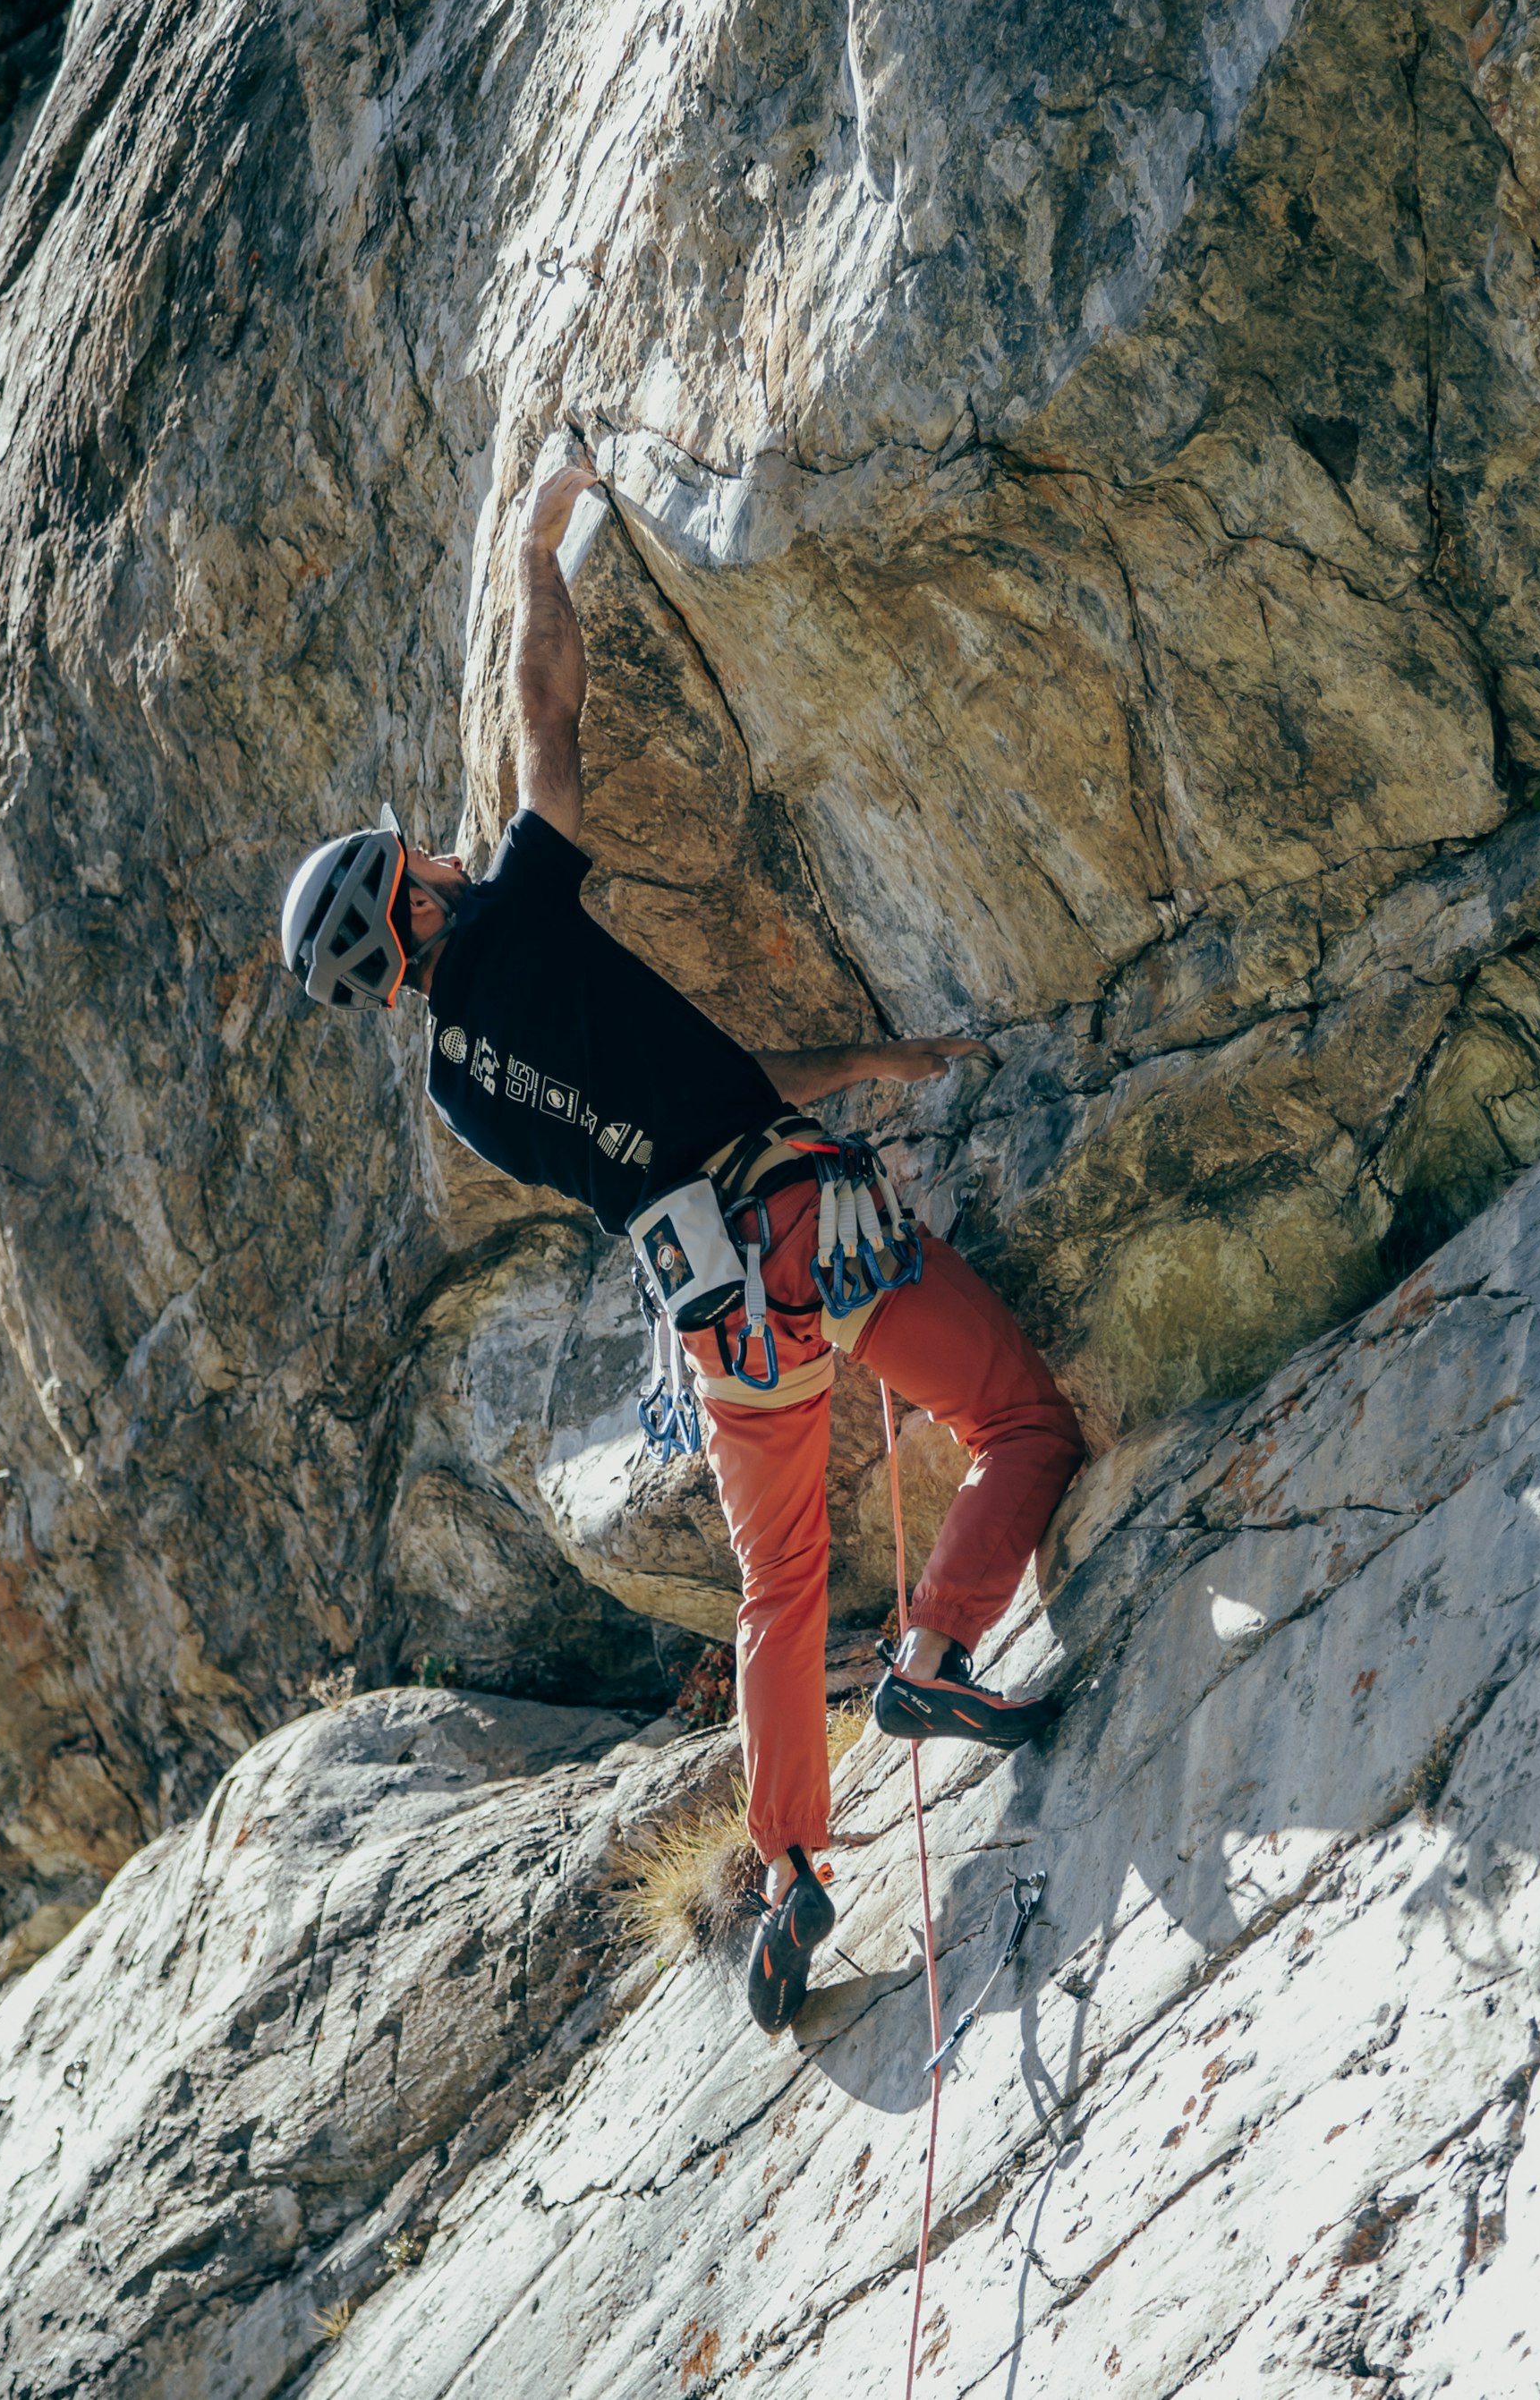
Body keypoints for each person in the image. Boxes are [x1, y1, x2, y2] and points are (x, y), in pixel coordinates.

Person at [275, 455, 1087, 2033]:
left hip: (715, 1317)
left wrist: (866, 1061)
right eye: (418, 867)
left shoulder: (456, 1093)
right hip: (806, 1227)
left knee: (776, 1586)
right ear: (415, 905)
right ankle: (937, 1645)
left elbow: (675, 1103)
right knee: (1019, 1420)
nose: (441, 857)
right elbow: (545, 710)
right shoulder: (514, 918)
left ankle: (791, 1872)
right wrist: (532, 545)